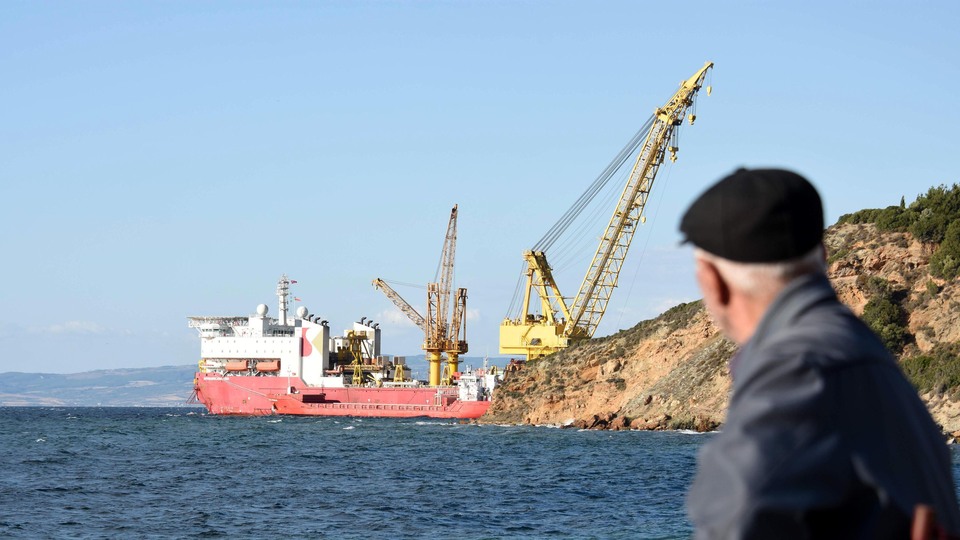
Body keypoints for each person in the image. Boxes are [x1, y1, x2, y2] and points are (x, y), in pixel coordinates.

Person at [680, 168, 960, 539]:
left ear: (713, 282)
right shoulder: (861, 354)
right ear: (824, 257)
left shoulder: (798, 370)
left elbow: (734, 523)